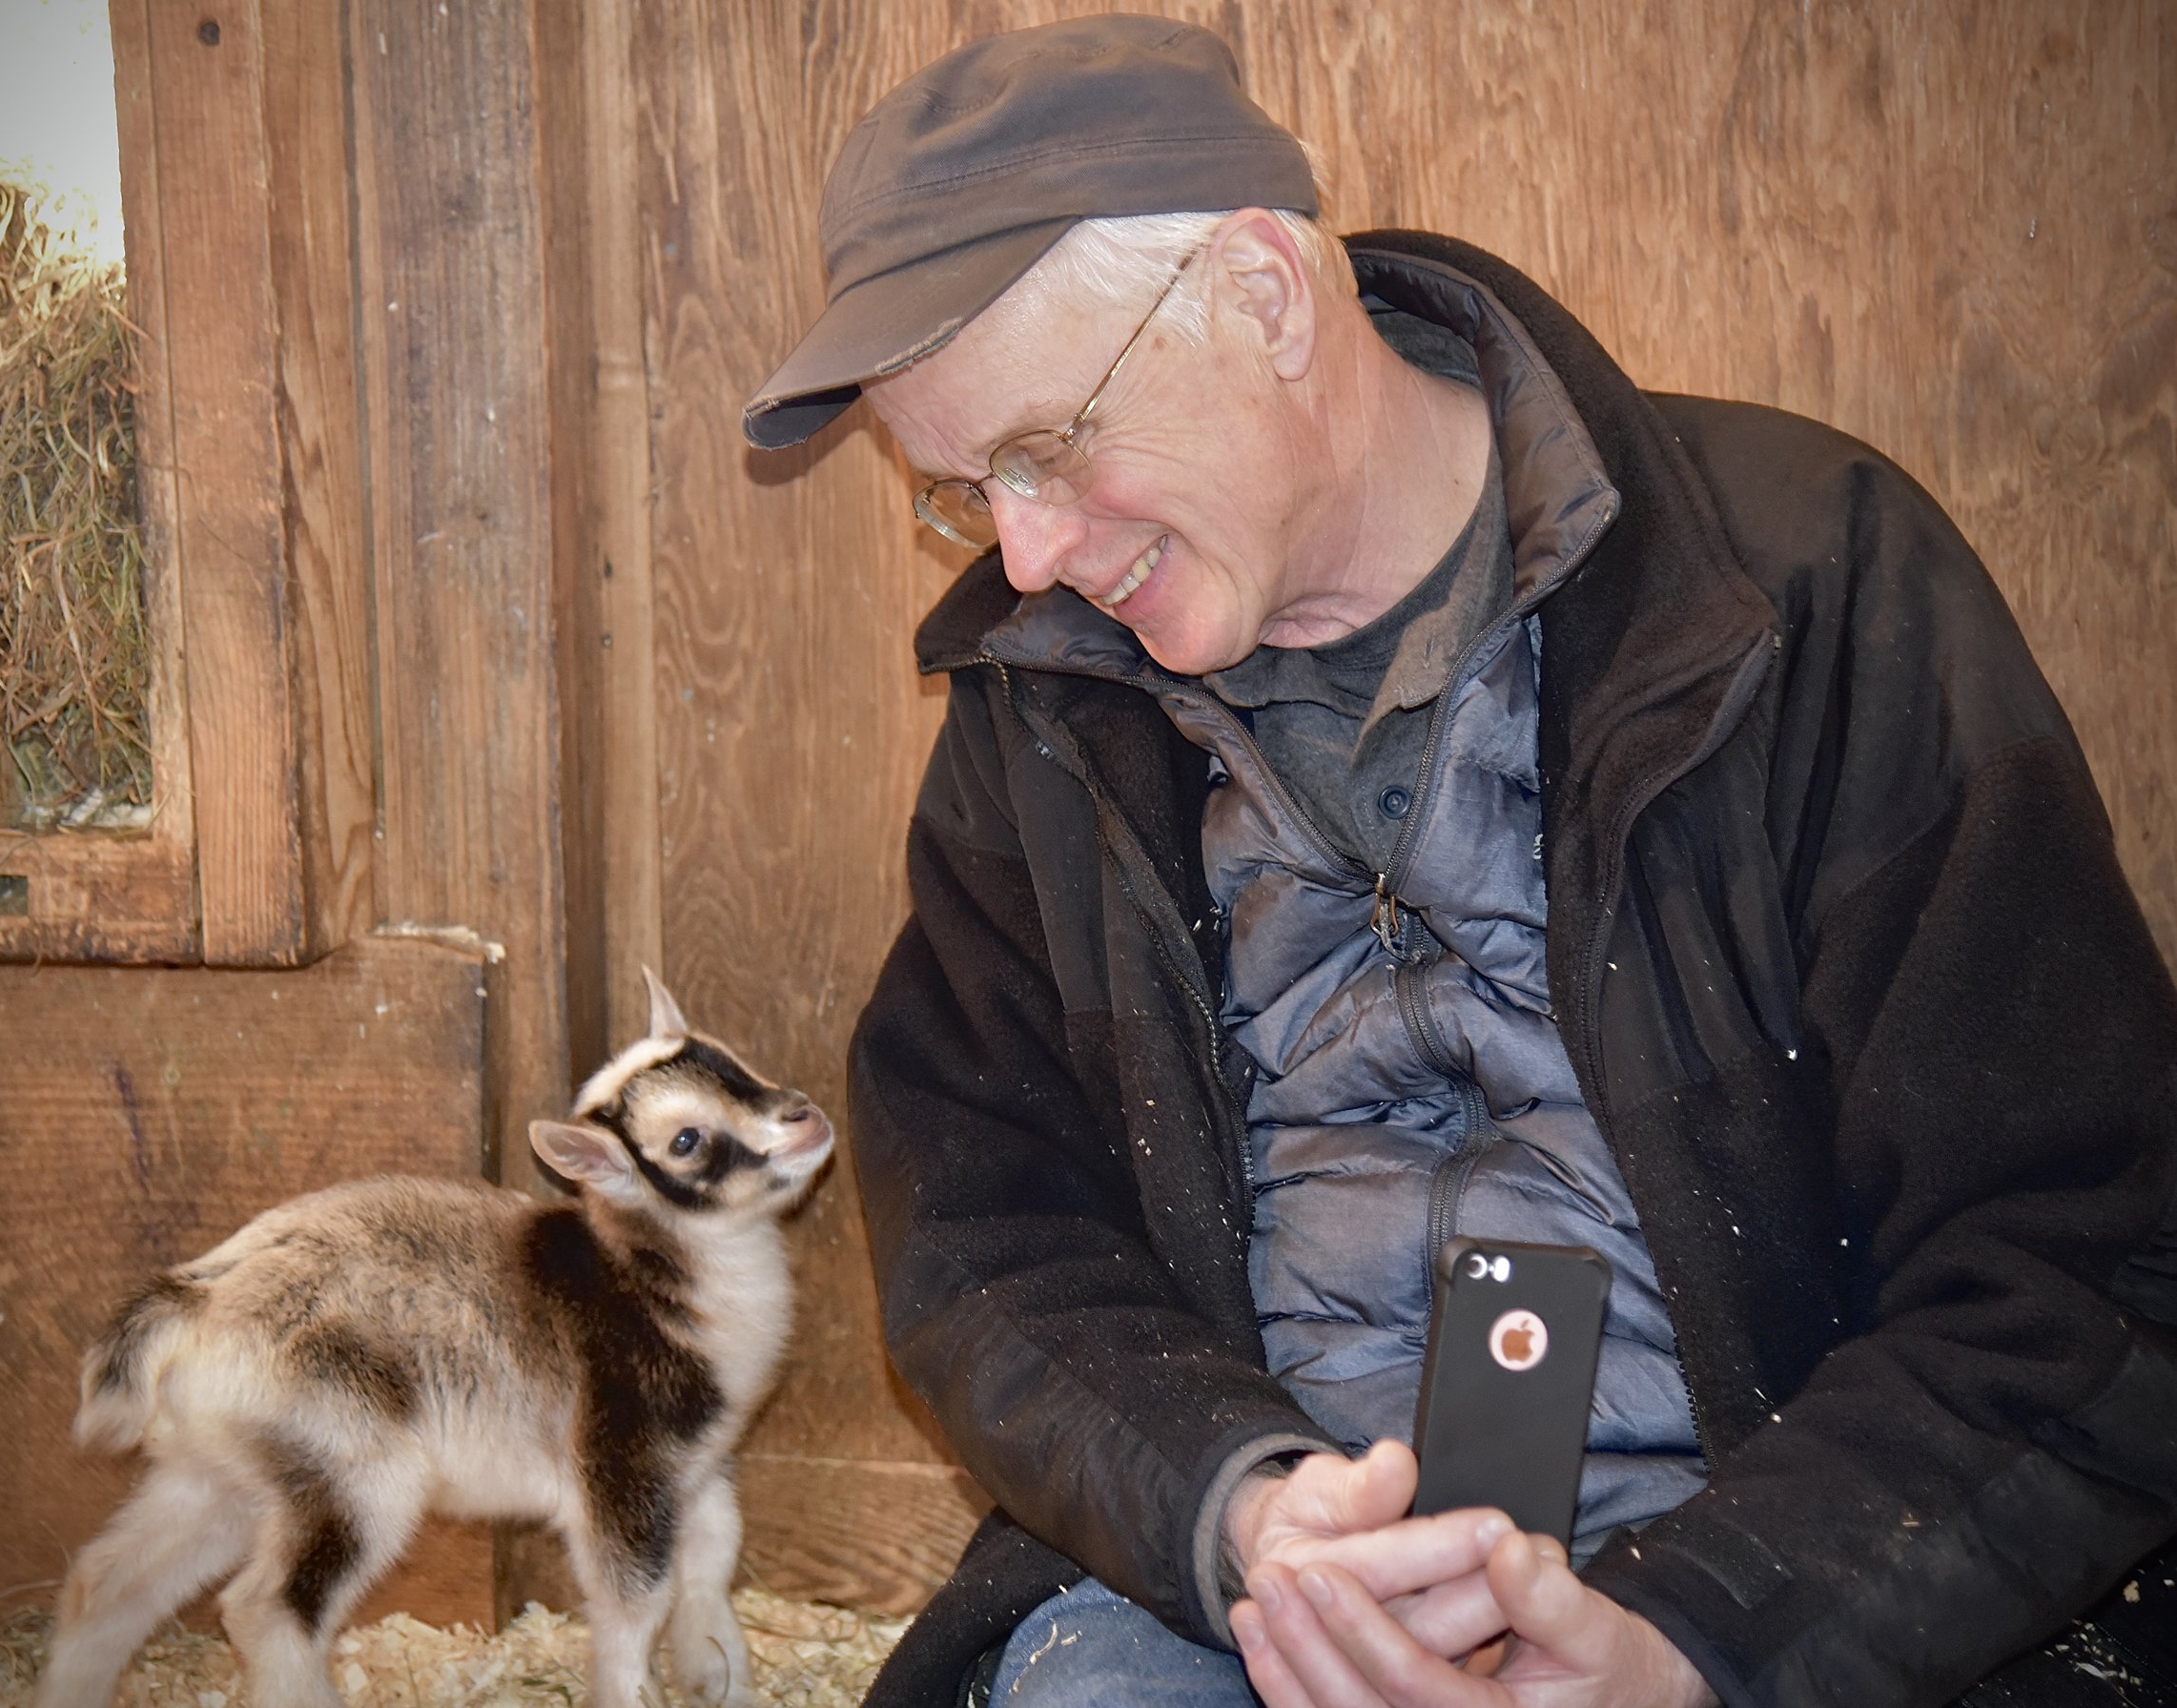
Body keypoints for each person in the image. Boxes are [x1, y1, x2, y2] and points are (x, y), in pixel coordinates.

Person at [742, 17, 2177, 1708]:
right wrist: (1245, 1517)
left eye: (1049, 449)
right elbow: (984, 1243)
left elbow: (2084, 1264)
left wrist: (1696, 1641)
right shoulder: (1042, 711)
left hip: (1773, 1573)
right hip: (1262, 1608)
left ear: (1268, 296)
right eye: (972, 491)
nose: (1031, 553)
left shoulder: (1801, 591)